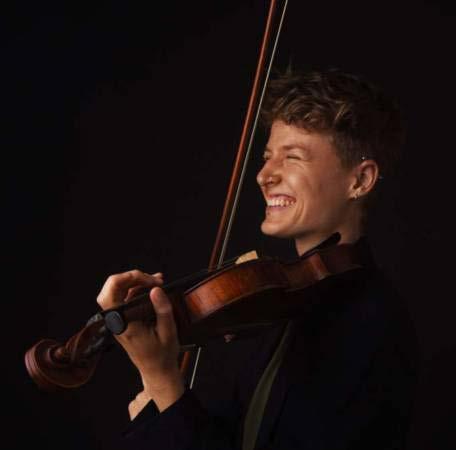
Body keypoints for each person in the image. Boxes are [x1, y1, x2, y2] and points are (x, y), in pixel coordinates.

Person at [96, 68, 419, 449]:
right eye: (267, 157)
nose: (264, 175)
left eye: (293, 157)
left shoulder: (371, 323)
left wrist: (164, 384)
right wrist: (160, 401)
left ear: (360, 181)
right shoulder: (280, 309)